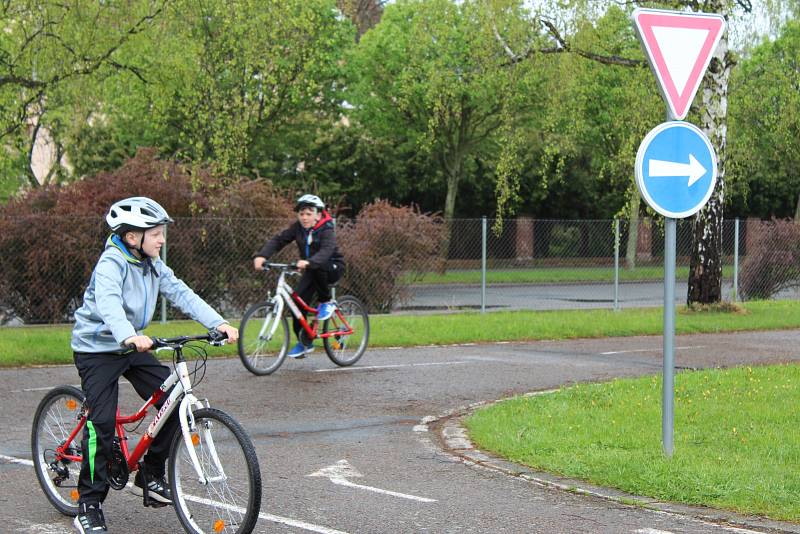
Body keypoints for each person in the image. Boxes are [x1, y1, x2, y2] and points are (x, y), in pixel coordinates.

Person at [70, 196, 238, 533]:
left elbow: (182, 293)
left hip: (131, 345)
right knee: (101, 424)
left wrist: (217, 323)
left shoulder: (152, 264)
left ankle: (150, 474)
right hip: (97, 349)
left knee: (175, 401)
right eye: (156, 233)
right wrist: (128, 335)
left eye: (161, 233)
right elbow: (109, 304)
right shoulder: (111, 264)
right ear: (133, 237)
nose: (162, 239)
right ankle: (88, 503)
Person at [253, 194, 345, 358]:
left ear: (317, 215)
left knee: (318, 265)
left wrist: (308, 262)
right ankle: (305, 342)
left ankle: (326, 302)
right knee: (297, 304)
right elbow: (279, 240)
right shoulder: (298, 228)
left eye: (309, 214)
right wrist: (262, 256)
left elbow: (326, 251)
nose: (304, 217)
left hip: (332, 267)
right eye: (301, 213)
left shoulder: (326, 229)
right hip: (312, 269)